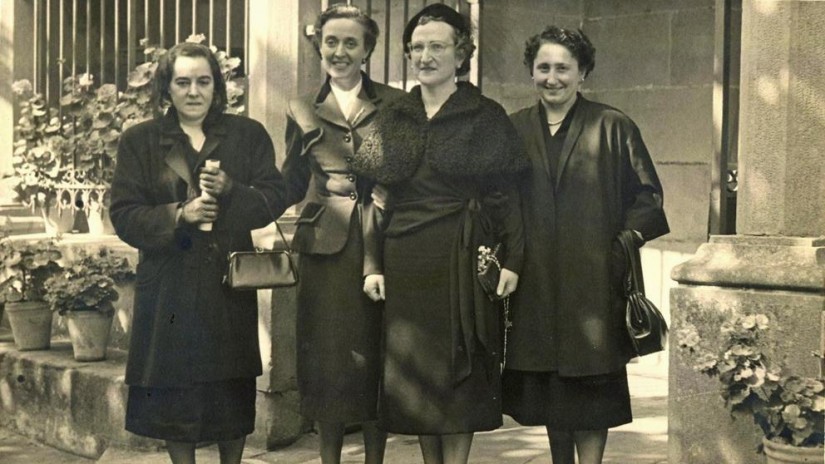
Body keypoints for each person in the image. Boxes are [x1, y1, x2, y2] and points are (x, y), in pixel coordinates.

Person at [352, 4, 528, 464]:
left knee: (460, 374)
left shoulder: (486, 115)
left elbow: (506, 196)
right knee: (416, 380)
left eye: (437, 46)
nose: (425, 56)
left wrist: (513, 260)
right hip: (406, 261)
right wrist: (372, 265)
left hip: (463, 258)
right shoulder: (394, 114)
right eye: (417, 47)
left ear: (461, 51)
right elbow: (374, 201)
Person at [109, 42, 287, 464]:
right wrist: (179, 214)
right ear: (166, 89)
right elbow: (123, 214)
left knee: (230, 392)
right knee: (175, 395)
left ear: (217, 86)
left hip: (227, 285)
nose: (194, 91)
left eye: (203, 81)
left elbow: (275, 197)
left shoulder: (247, 135)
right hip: (170, 286)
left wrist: (233, 192)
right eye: (183, 82)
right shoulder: (141, 141)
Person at [503, 26, 670, 464]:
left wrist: (623, 243)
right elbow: (498, 201)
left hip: (594, 282)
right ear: (531, 73)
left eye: (563, 68)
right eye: (543, 68)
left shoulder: (612, 125)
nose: (552, 78)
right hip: (537, 281)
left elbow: (648, 197)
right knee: (553, 390)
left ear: (583, 74)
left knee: (590, 389)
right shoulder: (515, 128)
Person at [280, 4, 405, 464]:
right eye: (331, 42)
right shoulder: (300, 108)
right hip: (325, 249)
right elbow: (290, 180)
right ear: (319, 46)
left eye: (351, 42)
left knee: (376, 354)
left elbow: (406, 171)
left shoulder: (395, 104)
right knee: (330, 359)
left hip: (383, 243)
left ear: (368, 49)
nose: (339, 51)